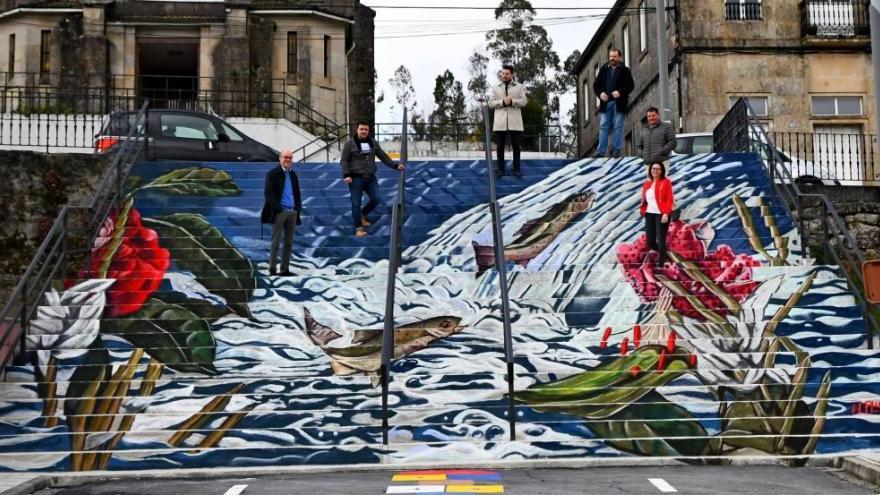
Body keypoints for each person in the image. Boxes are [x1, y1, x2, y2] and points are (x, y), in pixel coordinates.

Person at [340, 120, 405, 237]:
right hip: (355, 178)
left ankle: (363, 213)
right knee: (355, 203)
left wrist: (395, 165)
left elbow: (383, 156)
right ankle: (358, 228)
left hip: (370, 177)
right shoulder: (349, 144)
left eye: (366, 129)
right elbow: (344, 160)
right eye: (362, 129)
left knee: (377, 198)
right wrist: (346, 174)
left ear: (368, 130)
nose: (364, 131)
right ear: (357, 130)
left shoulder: (373, 143)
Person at [261, 148, 302, 276]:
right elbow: (268, 194)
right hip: (279, 212)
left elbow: (297, 193)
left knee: (289, 244)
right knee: (276, 242)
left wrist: (297, 209)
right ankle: (272, 269)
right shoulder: (272, 174)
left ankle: (285, 269)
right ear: (280, 159)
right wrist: (278, 209)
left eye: (290, 157)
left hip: (292, 212)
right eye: (285, 157)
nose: (288, 160)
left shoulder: (293, 174)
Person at [592, 48, 635, 158]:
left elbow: (631, 85)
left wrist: (620, 92)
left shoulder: (625, 70)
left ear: (619, 57)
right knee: (603, 127)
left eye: (614, 57)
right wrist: (600, 94)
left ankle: (616, 150)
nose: (612, 59)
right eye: (611, 56)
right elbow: (596, 85)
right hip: (606, 103)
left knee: (618, 127)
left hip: (619, 102)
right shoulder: (604, 69)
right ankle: (601, 152)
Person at [489, 64, 528, 177]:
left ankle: (517, 169)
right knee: (500, 147)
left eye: (507, 73)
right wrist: (501, 102)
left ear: (511, 74)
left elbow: (524, 101)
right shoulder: (495, 87)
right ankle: (501, 169)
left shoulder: (519, 87)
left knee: (516, 146)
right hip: (500, 121)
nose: (504, 75)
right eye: (503, 73)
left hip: (515, 121)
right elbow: (490, 103)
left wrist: (512, 102)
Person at [640, 162, 674, 267]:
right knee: (650, 241)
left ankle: (661, 263)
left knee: (661, 239)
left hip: (661, 214)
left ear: (662, 171)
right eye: (653, 168)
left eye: (658, 169)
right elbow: (645, 199)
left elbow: (670, 199)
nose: (655, 170)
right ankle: (665, 253)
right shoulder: (646, 184)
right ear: (650, 170)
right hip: (649, 214)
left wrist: (666, 213)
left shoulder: (666, 182)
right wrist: (642, 209)